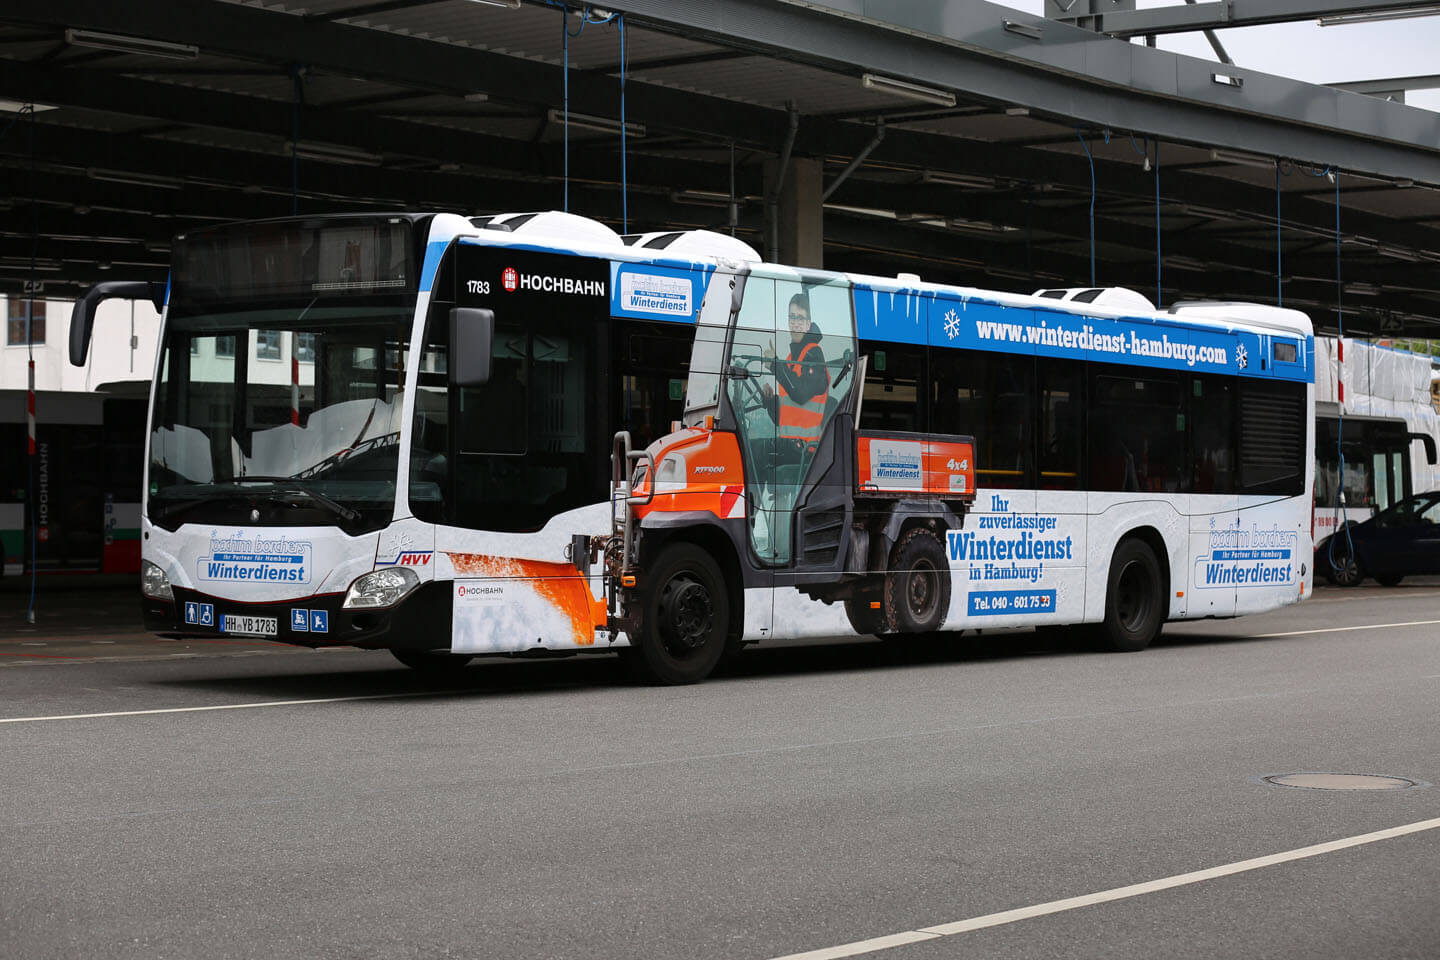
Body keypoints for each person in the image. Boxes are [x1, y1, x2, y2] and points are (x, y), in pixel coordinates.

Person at [762, 292, 829, 452]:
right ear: (788, 322)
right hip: (790, 448)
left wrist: (774, 365)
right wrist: (770, 401)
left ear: (808, 324)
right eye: (792, 317)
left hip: (807, 454)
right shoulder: (791, 360)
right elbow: (783, 420)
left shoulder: (814, 355)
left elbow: (800, 393)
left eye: (800, 318)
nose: (796, 323)